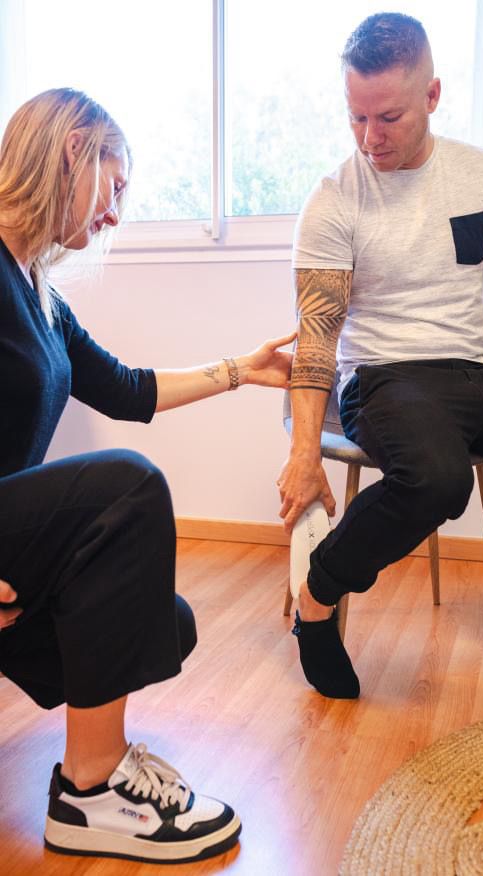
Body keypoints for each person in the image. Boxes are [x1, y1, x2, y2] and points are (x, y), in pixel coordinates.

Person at [0, 87, 294, 864]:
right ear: (73, 151)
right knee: (127, 487)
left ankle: (98, 772)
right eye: (116, 185)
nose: (116, 216)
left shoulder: (37, 291)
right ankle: (91, 791)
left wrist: (242, 369)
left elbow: (130, 390)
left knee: (163, 621)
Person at [278, 11, 483, 702]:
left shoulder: (481, 172)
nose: (370, 137)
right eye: (356, 117)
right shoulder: (333, 200)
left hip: (474, 376)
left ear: (433, 95)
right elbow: (318, 333)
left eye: (388, 117)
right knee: (441, 481)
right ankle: (317, 595)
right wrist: (303, 453)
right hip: (384, 379)